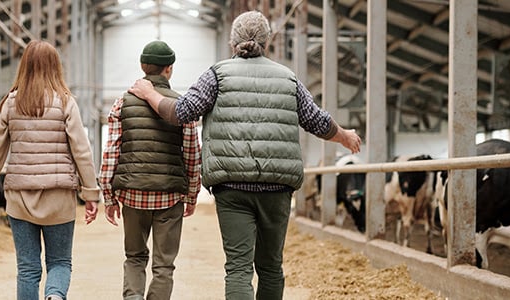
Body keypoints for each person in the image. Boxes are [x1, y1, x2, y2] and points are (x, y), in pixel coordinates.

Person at [128, 11, 362, 300]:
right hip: (277, 187)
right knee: (271, 267)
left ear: (232, 41)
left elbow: (181, 113)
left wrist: (150, 93)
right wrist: (345, 136)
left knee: (238, 269)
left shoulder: (217, 75)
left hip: (232, 186)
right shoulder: (288, 78)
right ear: (266, 41)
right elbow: (317, 121)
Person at [0, 40, 100, 300]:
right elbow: (81, 150)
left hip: (20, 199)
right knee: (60, 262)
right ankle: (54, 296)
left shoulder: (10, 103)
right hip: (59, 198)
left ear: (24, 66)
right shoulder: (66, 102)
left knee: (28, 269)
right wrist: (91, 194)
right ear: (56, 67)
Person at [99, 40, 202, 300]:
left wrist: (109, 196)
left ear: (143, 67)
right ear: (169, 69)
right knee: (164, 265)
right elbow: (192, 153)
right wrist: (192, 194)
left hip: (132, 195)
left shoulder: (123, 102)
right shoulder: (182, 105)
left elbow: (111, 152)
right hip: (169, 197)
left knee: (134, 257)